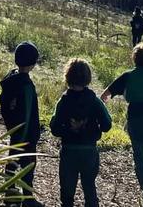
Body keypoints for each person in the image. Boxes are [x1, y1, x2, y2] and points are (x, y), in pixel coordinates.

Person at [100, 44, 143, 207]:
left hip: (136, 118)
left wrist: (101, 109)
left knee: (140, 157)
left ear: (134, 59)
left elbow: (105, 95)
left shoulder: (128, 76)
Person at [50, 59, 112, 207]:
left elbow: (54, 127)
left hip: (69, 150)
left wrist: (68, 129)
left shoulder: (63, 101)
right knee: (90, 187)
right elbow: (107, 125)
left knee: (67, 191)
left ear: (68, 77)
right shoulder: (94, 101)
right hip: (89, 150)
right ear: (87, 78)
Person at [0, 41, 43, 207]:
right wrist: (29, 135)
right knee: (28, 166)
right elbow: (29, 112)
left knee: (12, 162)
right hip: (26, 135)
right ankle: (27, 198)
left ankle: (9, 194)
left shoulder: (11, 79)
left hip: (14, 131)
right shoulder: (26, 86)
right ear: (32, 64)